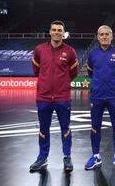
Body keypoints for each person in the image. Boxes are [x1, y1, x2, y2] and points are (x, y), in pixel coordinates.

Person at [29, 20, 79, 172]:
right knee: (44, 129)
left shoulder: (70, 52)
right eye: (54, 30)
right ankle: (42, 158)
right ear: (50, 32)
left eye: (60, 30)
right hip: (43, 98)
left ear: (63, 33)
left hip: (63, 98)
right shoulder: (39, 50)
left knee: (66, 128)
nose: (57, 32)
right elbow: (36, 70)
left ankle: (67, 157)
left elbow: (73, 73)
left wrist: (61, 84)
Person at [84, 25, 115, 171]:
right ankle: (95, 156)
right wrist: (99, 84)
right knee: (95, 126)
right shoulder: (93, 53)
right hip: (97, 96)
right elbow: (90, 72)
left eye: (107, 34)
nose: (104, 36)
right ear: (97, 36)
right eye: (101, 34)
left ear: (111, 36)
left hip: (114, 96)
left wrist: (113, 83)